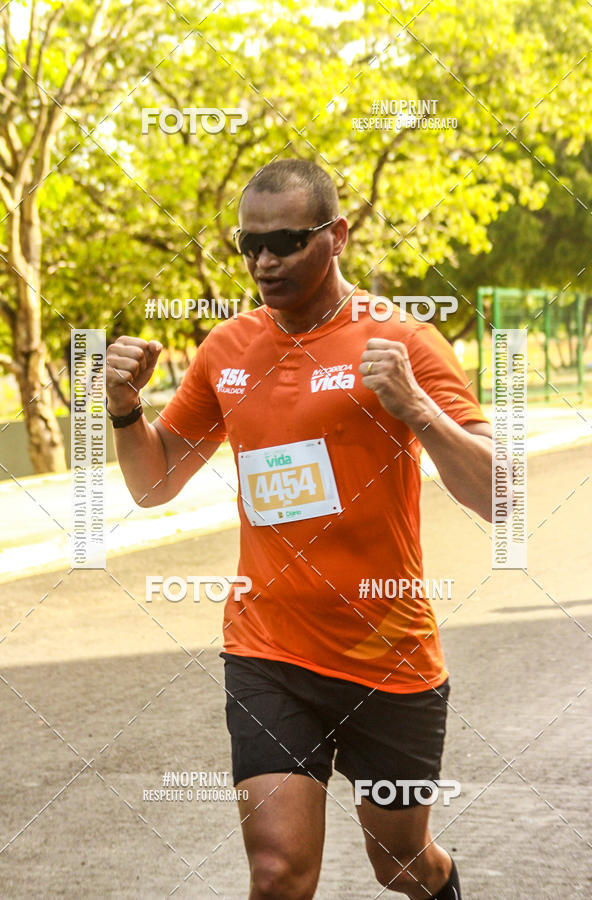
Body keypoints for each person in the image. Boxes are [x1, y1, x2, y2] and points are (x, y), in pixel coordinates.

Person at [106, 158, 492, 899]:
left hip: (387, 655)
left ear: (337, 235)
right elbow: (154, 484)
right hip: (268, 649)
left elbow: (500, 494)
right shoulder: (227, 349)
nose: (265, 261)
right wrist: (125, 410)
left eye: (286, 241)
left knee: (402, 864)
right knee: (278, 871)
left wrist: (418, 410)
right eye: (248, 245)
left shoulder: (403, 340)